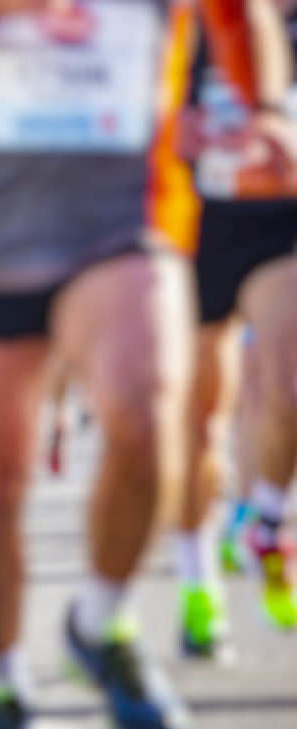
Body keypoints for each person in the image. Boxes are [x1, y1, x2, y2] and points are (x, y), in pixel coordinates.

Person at [0, 0, 297, 729]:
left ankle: (99, 622)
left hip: (127, 221)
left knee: (145, 408)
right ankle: (1, 693)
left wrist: (266, 107)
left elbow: (244, 16)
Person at [173, 0, 297, 658]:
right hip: (191, 220)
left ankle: (268, 519)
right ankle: (198, 582)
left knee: (290, 376)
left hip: (278, 215)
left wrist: (273, 115)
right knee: (198, 420)